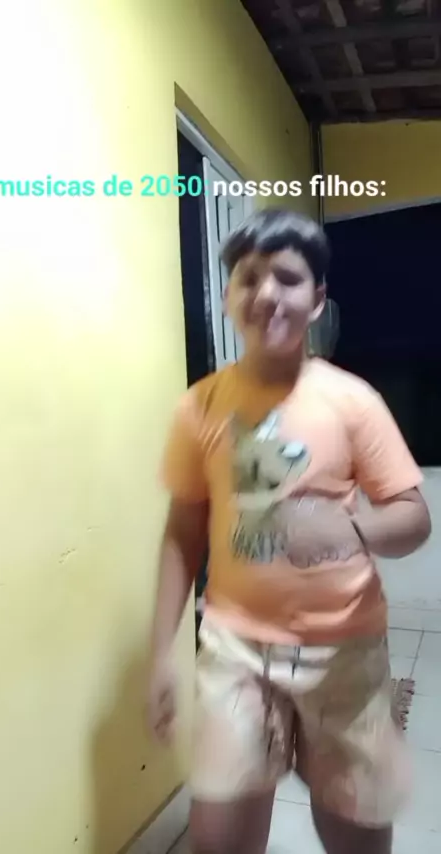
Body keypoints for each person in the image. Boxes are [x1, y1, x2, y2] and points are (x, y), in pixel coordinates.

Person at [147, 208, 431, 854]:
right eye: (249, 278)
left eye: (288, 277)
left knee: (357, 835)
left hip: (346, 650)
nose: (267, 293)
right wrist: (162, 651)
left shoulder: (353, 401)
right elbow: (181, 532)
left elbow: (414, 517)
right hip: (235, 650)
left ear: (318, 297)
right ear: (228, 296)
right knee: (218, 841)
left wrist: (355, 526)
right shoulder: (200, 407)